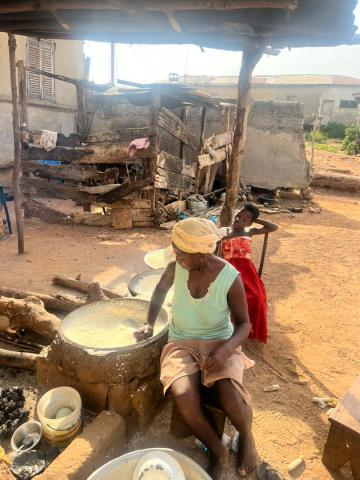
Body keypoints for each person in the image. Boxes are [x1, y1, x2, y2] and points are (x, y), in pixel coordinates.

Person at [135, 218, 256, 480]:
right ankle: (218, 449)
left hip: (220, 343)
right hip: (182, 342)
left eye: (181, 253)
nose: (176, 256)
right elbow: (159, 291)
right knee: (184, 396)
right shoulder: (175, 267)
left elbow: (245, 325)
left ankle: (247, 437)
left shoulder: (229, 278)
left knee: (232, 401)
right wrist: (148, 323)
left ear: (201, 254)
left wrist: (224, 352)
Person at [219, 203, 278, 344]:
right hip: (227, 269)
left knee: (257, 298)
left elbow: (273, 227)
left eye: (245, 219)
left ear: (249, 223)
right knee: (227, 299)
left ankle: (249, 329)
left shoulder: (249, 232)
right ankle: (228, 329)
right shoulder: (224, 232)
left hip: (247, 272)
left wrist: (255, 219)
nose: (239, 219)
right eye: (239, 216)